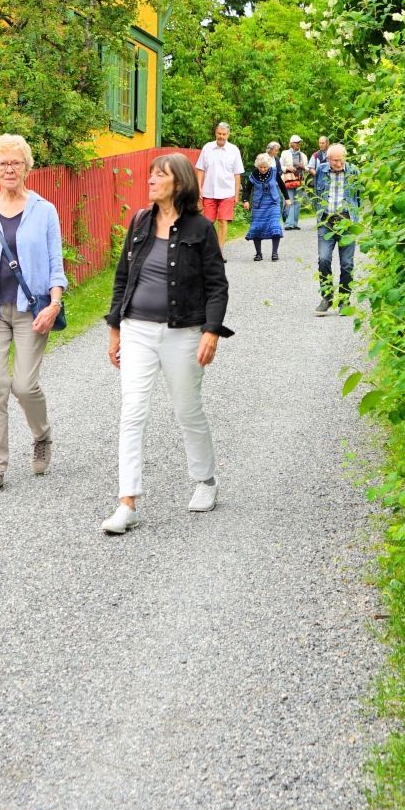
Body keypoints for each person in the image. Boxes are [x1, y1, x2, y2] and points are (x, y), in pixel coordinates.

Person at [102, 152, 233, 534]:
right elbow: (123, 276)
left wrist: (211, 331)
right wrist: (115, 328)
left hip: (183, 333)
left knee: (187, 410)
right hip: (136, 330)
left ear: (179, 183)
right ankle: (127, 502)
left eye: (160, 175)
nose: (151, 180)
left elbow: (217, 286)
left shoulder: (201, 228)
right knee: (132, 411)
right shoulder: (140, 222)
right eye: (150, 174)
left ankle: (206, 481)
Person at [0, 134, 65, 498]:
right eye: (2, 163)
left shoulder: (44, 210)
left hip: (31, 310)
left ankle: (41, 436)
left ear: (27, 168)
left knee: (23, 385)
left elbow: (56, 264)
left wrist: (54, 304)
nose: (9, 168)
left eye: (15, 162)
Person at [313, 142, 363, 315]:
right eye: (335, 161)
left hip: (347, 222)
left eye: (341, 160)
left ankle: (344, 300)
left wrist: (354, 218)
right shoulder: (321, 170)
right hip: (326, 221)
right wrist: (319, 216)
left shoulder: (354, 171)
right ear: (328, 159)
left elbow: (359, 196)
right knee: (324, 259)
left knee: (347, 263)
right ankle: (327, 298)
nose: (339, 164)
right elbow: (315, 194)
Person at [195, 122, 246, 251]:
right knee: (208, 222)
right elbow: (200, 169)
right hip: (209, 191)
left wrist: (236, 194)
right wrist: (199, 187)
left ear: (228, 135)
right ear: (215, 133)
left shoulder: (234, 150)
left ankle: (220, 249)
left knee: (223, 221)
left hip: (227, 192)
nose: (221, 136)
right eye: (219, 133)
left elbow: (237, 174)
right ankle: (208, 248)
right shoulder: (207, 148)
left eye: (224, 134)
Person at [242, 152, 285, 262]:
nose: (263, 169)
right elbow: (247, 190)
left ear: (269, 165)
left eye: (265, 167)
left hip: (273, 203)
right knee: (257, 228)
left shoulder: (274, 172)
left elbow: (281, 185)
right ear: (257, 166)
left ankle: (274, 253)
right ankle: (258, 254)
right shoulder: (253, 175)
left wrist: (287, 198)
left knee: (275, 226)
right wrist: (245, 200)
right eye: (261, 167)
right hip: (259, 205)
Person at [278, 136, 309, 230]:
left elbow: (308, 169)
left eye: (299, 142)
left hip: (300, 181)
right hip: (288, 181)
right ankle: (288, 223)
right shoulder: (285, 153)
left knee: (297, 202)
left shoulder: (303, 155)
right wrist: (288, 168)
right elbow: (280, 167)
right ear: (291, 143)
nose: (298, 144)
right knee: (288, 201)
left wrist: (303, 167)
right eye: (296, 142)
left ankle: (294, 223)